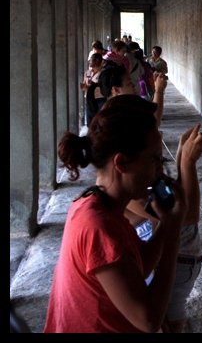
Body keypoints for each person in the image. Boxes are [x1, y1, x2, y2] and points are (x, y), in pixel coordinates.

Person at [44, 95, 187, 332]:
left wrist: (167, 223)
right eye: (154, 159)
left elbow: (139, 267)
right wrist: (172, 235)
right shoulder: (98, 226)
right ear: (121, 164)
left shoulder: (97, 204)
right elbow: (148, 320)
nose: (160, 170)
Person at [125, 124, 202, 333]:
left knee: (171, 315)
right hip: (174, 259)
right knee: (169, 317)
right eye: (154, 159)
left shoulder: (146, 181)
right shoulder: (135, 189)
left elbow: (175, 201)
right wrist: (187, 162)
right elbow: (187, 216)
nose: (160, 167)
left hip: (177, 258)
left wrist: (180, 158)